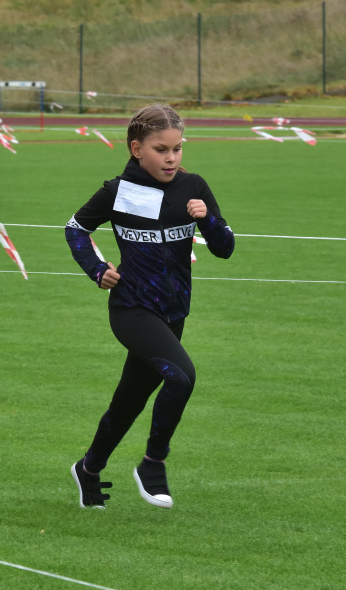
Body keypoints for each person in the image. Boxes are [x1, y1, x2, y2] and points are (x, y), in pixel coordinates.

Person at [64, 103, 235, 509]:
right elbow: (75, 229)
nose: (172, 158)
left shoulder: (194, 187)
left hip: (174, 313)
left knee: (129, 402)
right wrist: (96, 268)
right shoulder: (116, 192)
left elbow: (225, 248)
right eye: (162, 149)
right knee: (181, 377)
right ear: (136, 148)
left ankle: (88, 470)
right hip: (131, 309)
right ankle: (152, 464)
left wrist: (207, 219)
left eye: (178, 148)